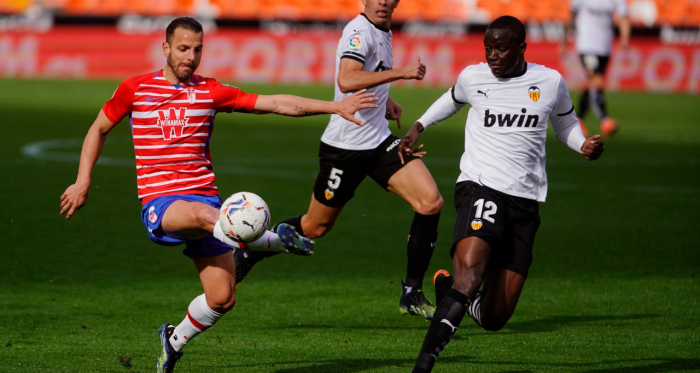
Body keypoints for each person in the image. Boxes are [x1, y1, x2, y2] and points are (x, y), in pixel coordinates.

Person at [58, 17, 377, 373]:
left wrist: (333, 107)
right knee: (202, 216)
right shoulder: (134, 89)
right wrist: (82, 180)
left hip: (207, 200)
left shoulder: (210, 91)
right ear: (165, 48)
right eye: (182, 49)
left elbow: (276, 103)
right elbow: (98, 129)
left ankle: (173, 340)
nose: (190, 57)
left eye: (197, 49)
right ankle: (269, 241)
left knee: (222, 299)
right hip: (162, 202)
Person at [399, 16, 605, 372]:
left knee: (495, 317)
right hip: (481, 186)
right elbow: (452, 99)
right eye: (488, 47)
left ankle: (446, 286)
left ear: (522, 47)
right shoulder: (473, 77)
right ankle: (423, 364)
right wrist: (419, 126)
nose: (492, 55)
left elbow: (566, 124)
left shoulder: (550, 82)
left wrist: (582, 144)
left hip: (525, 201)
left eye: (502, 48)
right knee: (470, 276)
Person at [232, 0, 444, 321]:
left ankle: (411, 293)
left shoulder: (381, 31)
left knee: (430, 203)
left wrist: (385, 98)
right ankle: (254, 247)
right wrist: (401, 73)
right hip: (345, 149)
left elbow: (368, 75)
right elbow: (346, 79)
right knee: (315, 227)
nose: (384, 1)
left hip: (378, 140)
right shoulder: (359, 31)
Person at [562, 0, 630, 138]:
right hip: (586, 45)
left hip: (604, 46)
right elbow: (571, 16)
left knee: (593, 84)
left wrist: (625, 37)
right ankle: (605, 120)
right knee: (596, 81)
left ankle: (577, 121)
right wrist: (564, 41)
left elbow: (624, 16)